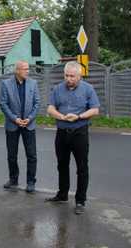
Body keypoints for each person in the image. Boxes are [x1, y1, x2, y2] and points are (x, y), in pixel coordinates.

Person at [46, 61, 100, 215]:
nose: (68, 79)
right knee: (62, 165)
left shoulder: (88, 89)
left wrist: (78, 116)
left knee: (82, 167)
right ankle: (62, 194)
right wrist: (61, 116)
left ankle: (80, 200)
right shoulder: (57, 89)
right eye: (66, 75)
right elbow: (50, 108)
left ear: (79, 76)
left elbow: (95, 109)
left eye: (72, 76)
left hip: (79, 132)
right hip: (62, 132)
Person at [0, 60, 41, 193]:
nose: (27, 71)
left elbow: (37, 103)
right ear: (17, 70)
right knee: (12, 155)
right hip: (13, 125)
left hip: (29, 124)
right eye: (25, 69)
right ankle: (13, 179)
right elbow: (3, 104)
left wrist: (29, 118)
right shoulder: (6, 84)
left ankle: (30, 182)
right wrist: (15, 119)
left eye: (28, 69)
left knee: (32, 155)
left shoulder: (33, 83)